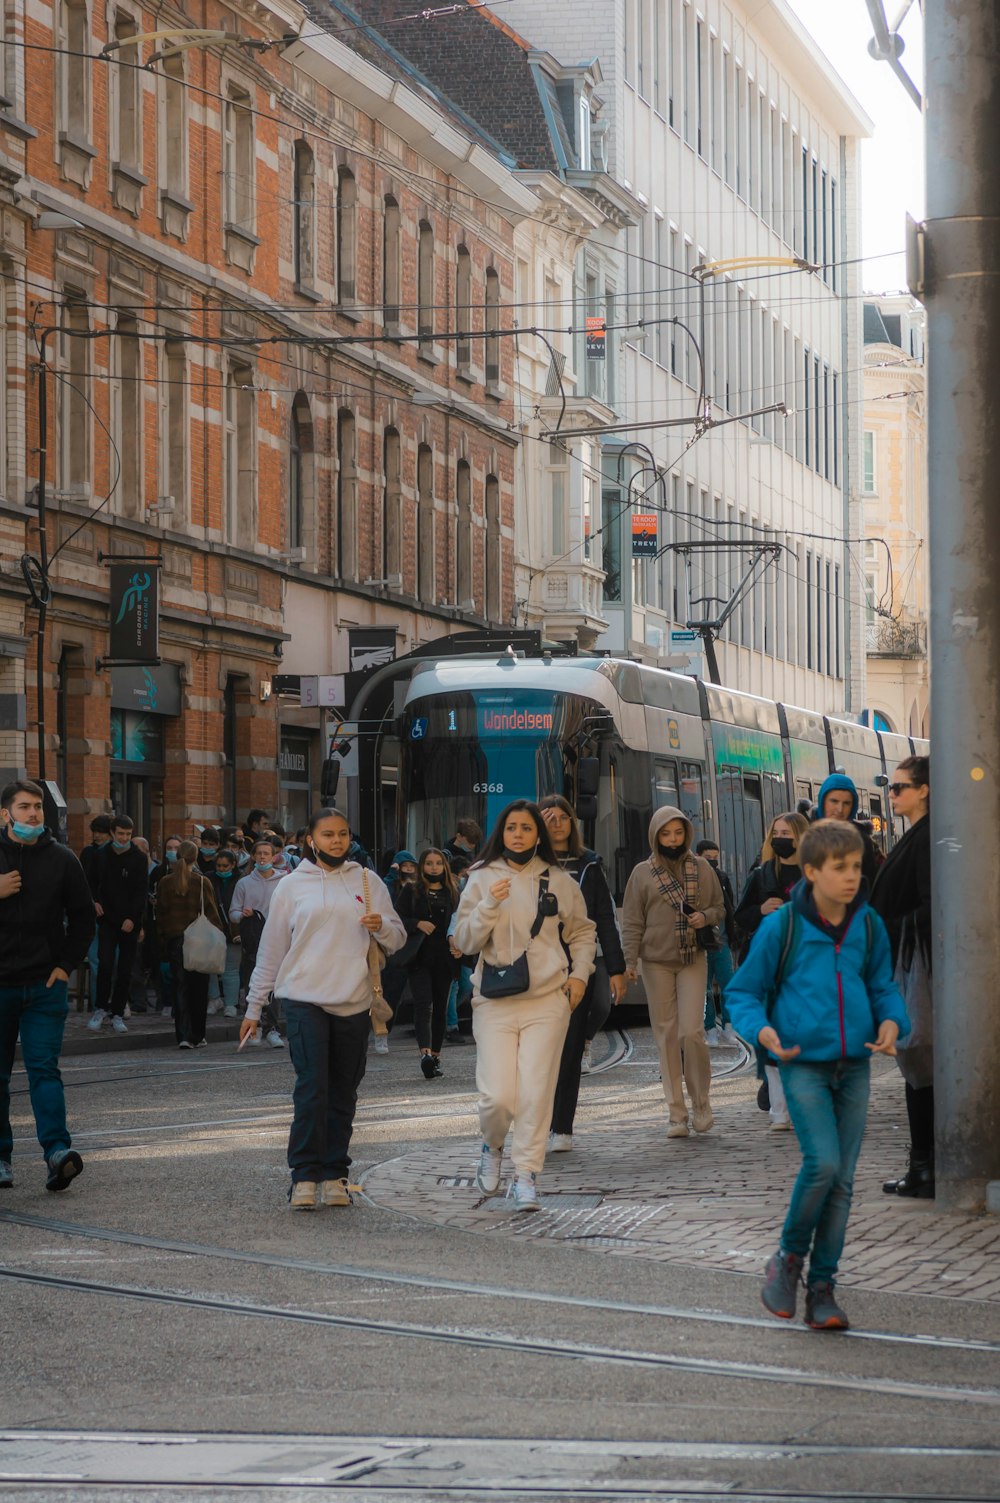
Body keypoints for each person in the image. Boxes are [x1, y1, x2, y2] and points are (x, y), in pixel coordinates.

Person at [725, 820, 908, 1332]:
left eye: (856, 867)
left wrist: (893, 1020)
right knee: (824, 1164)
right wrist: (762, 1032)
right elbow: (743, 991)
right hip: (801, 1063)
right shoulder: (781, 927)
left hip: (855, 1066)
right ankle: (787, 1261)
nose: (852, 877)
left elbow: (882, 985)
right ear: (810, 872)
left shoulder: (867, 925)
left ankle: (822, 1288)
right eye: (839, 868)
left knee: (844, 1183)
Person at [239, 807, 406, 1209]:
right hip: (302, 998)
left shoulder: (368, 882)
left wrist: (379, 926)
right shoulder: (291, 886)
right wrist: (253, 1005)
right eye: (328, 834)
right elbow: (271, 950)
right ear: (311, 840)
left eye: (343, 834)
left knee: (343, 1092)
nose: (336, 841)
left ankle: (335, 1173)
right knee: (312, 1088)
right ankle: (304, 1177)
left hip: (353, 1000)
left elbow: (397, 937)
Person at [453, 800, 596, 1212]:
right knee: (499, 1096)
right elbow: (464, 941)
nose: (519, 834)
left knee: (536, 1092)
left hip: (547, 1001)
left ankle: (526, 1175)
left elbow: (583, 931)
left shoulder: (559, 879)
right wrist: (488, 906)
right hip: (495, 1001)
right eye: (512, 827)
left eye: (527, 828)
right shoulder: (480, 878)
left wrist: (579, 977)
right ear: (502, 832)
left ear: (539, 835)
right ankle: (492, 1144)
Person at [0, 779, 95, 1191]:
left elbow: (83, 917)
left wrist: (66, 966)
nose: (34, 814)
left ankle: (57, 1154)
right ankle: (1, 1160)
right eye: (24, 807)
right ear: (5, 814)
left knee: (44, 1071)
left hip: (44, 984)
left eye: (38, 806)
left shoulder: (61, 858)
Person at [621, 807, 724, 1139]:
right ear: (655, 836)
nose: (672, 840)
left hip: (693, 957)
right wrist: (629, 963)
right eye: (665, 835)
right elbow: (633, 922)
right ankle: (676, 1113)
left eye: (678, 834)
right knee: (665, 1035)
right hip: (655, 962)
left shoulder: (702, 868)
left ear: (687, 834)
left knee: (691, 1032)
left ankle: (701, 1102)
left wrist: (705, 918)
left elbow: (719, 908)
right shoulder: (641, 874)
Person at [538, 795, 626, 1152]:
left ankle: (562, 1129)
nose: (557, 823)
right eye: (550, 818)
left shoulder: (590, 864)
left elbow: (603, 917)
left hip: (578, 964)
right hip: (537, 966)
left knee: (571, 1047)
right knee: (539, 1051)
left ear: (573, 823)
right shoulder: (528, 861)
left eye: (564, 817)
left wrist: (617, 968)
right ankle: (538, 1123)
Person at [870, 756, 933, 1199]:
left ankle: (925, 1166)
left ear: (924, 790)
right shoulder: (918, 835)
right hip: (910, 960)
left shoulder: (930, 838)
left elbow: (933, 905)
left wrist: (888, 928)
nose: (891, 796)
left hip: (919, 965)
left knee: (919, 1062)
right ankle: (923, 1164)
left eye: (899, 788)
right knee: (916, 1063)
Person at [734, 811, 810, 1130]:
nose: (780, 838)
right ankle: (779, 1109)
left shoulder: (816, 872)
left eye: (787, 833)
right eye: (775, 832)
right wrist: (761, 910)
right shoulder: (762, 874)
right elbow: (740, 917)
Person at [155, 840, 227, 1049]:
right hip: (199, 941)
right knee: (199, 989)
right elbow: (212, 913)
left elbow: (160, 914)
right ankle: (198, 1033)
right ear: (195, 858)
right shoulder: (202, 882)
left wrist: (163, 939)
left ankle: (183, 1035)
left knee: (181, 988)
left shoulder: (165, 882)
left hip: (175, 939)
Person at [395, 849, 459, 1079]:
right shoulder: (411, 891)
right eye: (429, 863)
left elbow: (460, 920)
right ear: (422, 866)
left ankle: (436, 1056)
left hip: (446, 958)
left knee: (441, 1007)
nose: (434, 867)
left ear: (444, 866)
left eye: (438, 863)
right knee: (424, 1005)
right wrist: (417, 923)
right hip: (419, 957)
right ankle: (425, 1055)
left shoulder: (453, 892)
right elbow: (397, 918)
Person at [88, 815, 149, 1035]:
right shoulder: (100, 856)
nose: (124, 838)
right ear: (112, 833)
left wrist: (133, 918)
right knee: (104, 963)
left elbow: (140, 891)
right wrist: (94, 901)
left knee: (125, 969)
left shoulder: (139, 858)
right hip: (106, 919)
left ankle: (117, 1012)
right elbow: (91, 883)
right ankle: (101, 1008)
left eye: (128, 834)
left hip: (129, 922)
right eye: (120, 833)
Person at [229, 839, 288, 1047]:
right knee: (252, 981)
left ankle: (272, 1028)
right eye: (259, 854)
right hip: (252, 940)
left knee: (274, 985)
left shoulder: (284, 882)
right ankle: (254, 1026)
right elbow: (233, 912)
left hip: (278, 938)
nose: (262, 857)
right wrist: (242, 914)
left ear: (274, 857)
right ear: (253, 857)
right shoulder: (244, 883)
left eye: (266, 854)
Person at [695, 839, 738, 1047]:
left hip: (722, 941)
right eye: (708, 858)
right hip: (702, 944)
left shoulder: (722, 878)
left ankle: (728, 1026)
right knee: (705, 990)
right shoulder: (692, 880)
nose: (712, 862)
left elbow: (729, 908)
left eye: (715, 858)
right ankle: (710, 1028)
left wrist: (733, 934)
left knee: (728, 983)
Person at [812, 774, 881, 885]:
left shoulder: (862, 841)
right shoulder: (805, 836)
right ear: (822, 801)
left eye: (846, 803)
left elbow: (868, 883)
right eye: (834, 801)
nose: (840, 809)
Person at [80, 814, 113, 1010]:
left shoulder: (116, 855)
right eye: (95, 832)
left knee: (113, 963)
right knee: (96, 963)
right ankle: (98, 1004)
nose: (97, 836)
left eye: (101, 832)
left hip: (113, 916)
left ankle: (114, 1002)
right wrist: (92, 902)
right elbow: (83, 882)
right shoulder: (89, 853)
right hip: (93, 914)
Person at [207, 847, 242, 1017]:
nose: (221, 869)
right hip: (213, 928)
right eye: (219, 866)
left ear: (233, 865)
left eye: (225, 866)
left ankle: (231, 1003)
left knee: (231, 968)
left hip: (233, 929)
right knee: (211, 967)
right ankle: (214, 999)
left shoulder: (241, 880)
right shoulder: (208, 878)